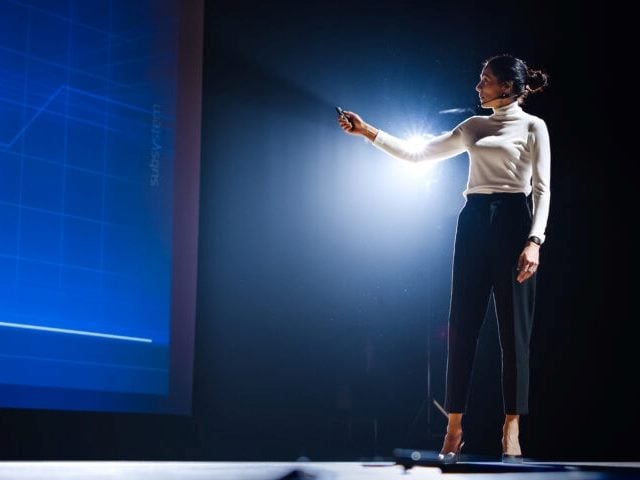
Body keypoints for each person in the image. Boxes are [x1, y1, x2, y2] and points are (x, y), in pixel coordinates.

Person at [337, 54, 550, 463]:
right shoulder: (473, 126)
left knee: (513, 333)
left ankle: (512, 428)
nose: (477, 87)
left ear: (506, 87)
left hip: (513, 222)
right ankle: (454, 428)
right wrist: (368, 132)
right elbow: (419, 155)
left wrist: (534, 241)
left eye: (485, 81)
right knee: (462, 325)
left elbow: (542, 189)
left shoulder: (533, 127)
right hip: (473, 221)